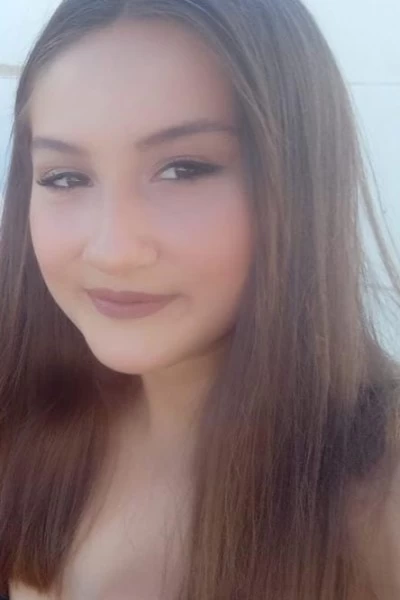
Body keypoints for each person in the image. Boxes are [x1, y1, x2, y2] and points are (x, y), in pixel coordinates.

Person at [1, 0, 400, 598]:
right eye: (65, 177)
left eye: (184, 169)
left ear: (299, 181)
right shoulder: (22, 409)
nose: (113, 250)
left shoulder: (377, 491)